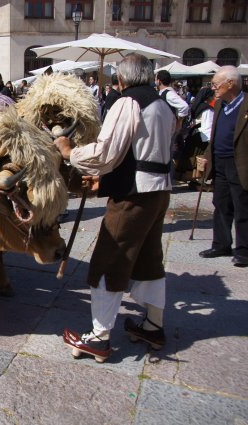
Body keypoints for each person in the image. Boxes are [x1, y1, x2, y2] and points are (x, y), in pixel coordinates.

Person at [54, 53, 175, 363]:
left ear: (121, 79)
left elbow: (107, 153)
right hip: (157, 191)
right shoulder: (162, 103)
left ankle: (99, 337)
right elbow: (140, 154)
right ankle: (153, 325)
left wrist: (70, 153)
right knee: (149, 259)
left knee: (109, 260)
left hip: (134, 197)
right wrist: (106, 184)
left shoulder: (127, 102)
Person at [198, 66, 248, 268]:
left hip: (240, 163)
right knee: (220, 204)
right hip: (219, 161)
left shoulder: (245, 105)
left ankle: (244, 251)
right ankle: (221, 244)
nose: (213, 88)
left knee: (242, 207)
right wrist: (207, 157)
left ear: (231, 84)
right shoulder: (220, 104)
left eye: (216, 84)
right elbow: (214, 136)